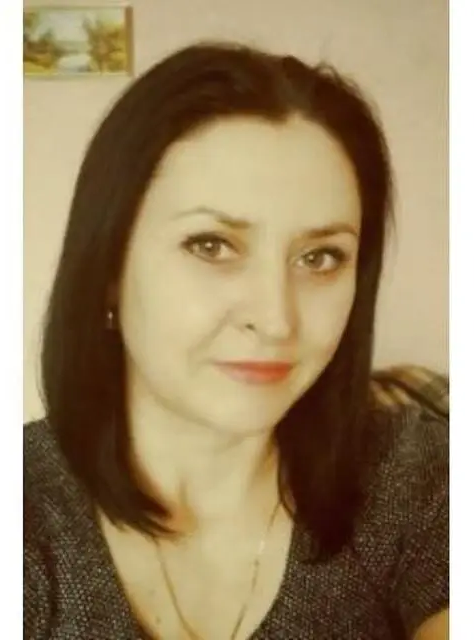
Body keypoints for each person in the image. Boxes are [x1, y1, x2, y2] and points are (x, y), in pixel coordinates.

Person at [24, 41, 448, 639]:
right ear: (109, 268)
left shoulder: (416, 481)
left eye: (320, 257)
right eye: (212, 245)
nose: (276, 320)